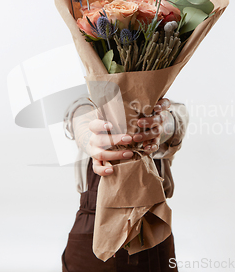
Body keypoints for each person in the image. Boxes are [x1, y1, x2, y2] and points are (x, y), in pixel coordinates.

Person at [61, 94, 189, 272]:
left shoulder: (164, 108)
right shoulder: (88, 104)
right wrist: (89, 136)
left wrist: (160, 125)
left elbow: (177, 120)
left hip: (149, 224)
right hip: (92, 225)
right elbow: (77, 114)